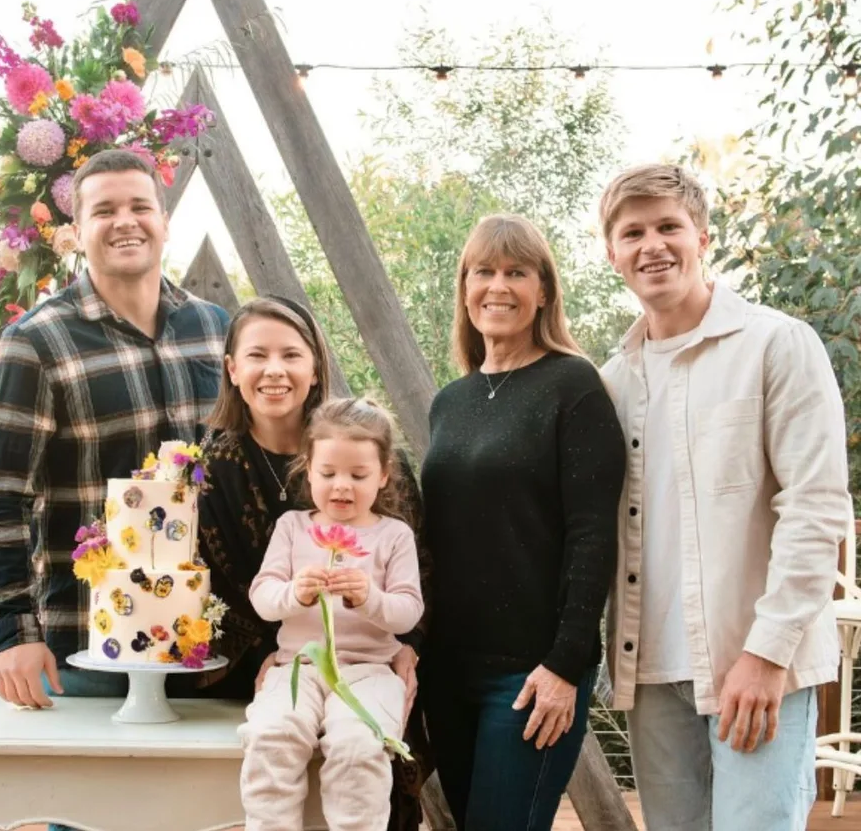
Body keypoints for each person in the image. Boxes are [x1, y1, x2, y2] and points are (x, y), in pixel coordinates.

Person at [596, 163, 852, 830]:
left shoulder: (777, 345)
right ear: (612, 254)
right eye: (632, 233)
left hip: (756, 664)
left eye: (668, 227)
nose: (652, 245)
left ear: (702, 237)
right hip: (649, 672)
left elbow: (816, 506)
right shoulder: (612, 381)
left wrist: (767, 655)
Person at [0, 148, 228, 757]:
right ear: (76, 233)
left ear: (164, 221)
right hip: (88, 644)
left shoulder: (215, 329)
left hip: (205, 644)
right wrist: (14, 629)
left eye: (141, 206)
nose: (125, 221)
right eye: (104, 210)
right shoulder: (34, 343)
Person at [420, 213, 626, 830]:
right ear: (464, 287)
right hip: (450, 671)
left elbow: (592, 535)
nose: (498, 286)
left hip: (532, 673)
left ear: (544, 291)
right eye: (483, 271)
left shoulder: (574, 387)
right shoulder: (450, 403)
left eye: (517, 272)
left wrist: (566, 664)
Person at [198, 296, 433, 830]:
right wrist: (267, 650)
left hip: (375, 663)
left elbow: (419, 580)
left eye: (291, 354)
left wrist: (408, 647)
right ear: (233, 369)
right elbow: (216, 586)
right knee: (274, 740)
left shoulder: (365, 449)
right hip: (273, 665)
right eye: (258, 354)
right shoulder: (218, 466)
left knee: (360, 745)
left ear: (315, 366)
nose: (275, 370)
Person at [237, 397, 423, 831]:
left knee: (359, 745)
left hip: (371, 671)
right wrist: (294, 593)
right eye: (328, 473)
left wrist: (370, 599)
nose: (342, 486)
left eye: (358, 475)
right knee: (271, 736)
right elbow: (263, 597)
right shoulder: (292, 527)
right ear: (308, 468)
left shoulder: (393, 535)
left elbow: (408, 613)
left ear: (383, 475)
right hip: (296, 667)